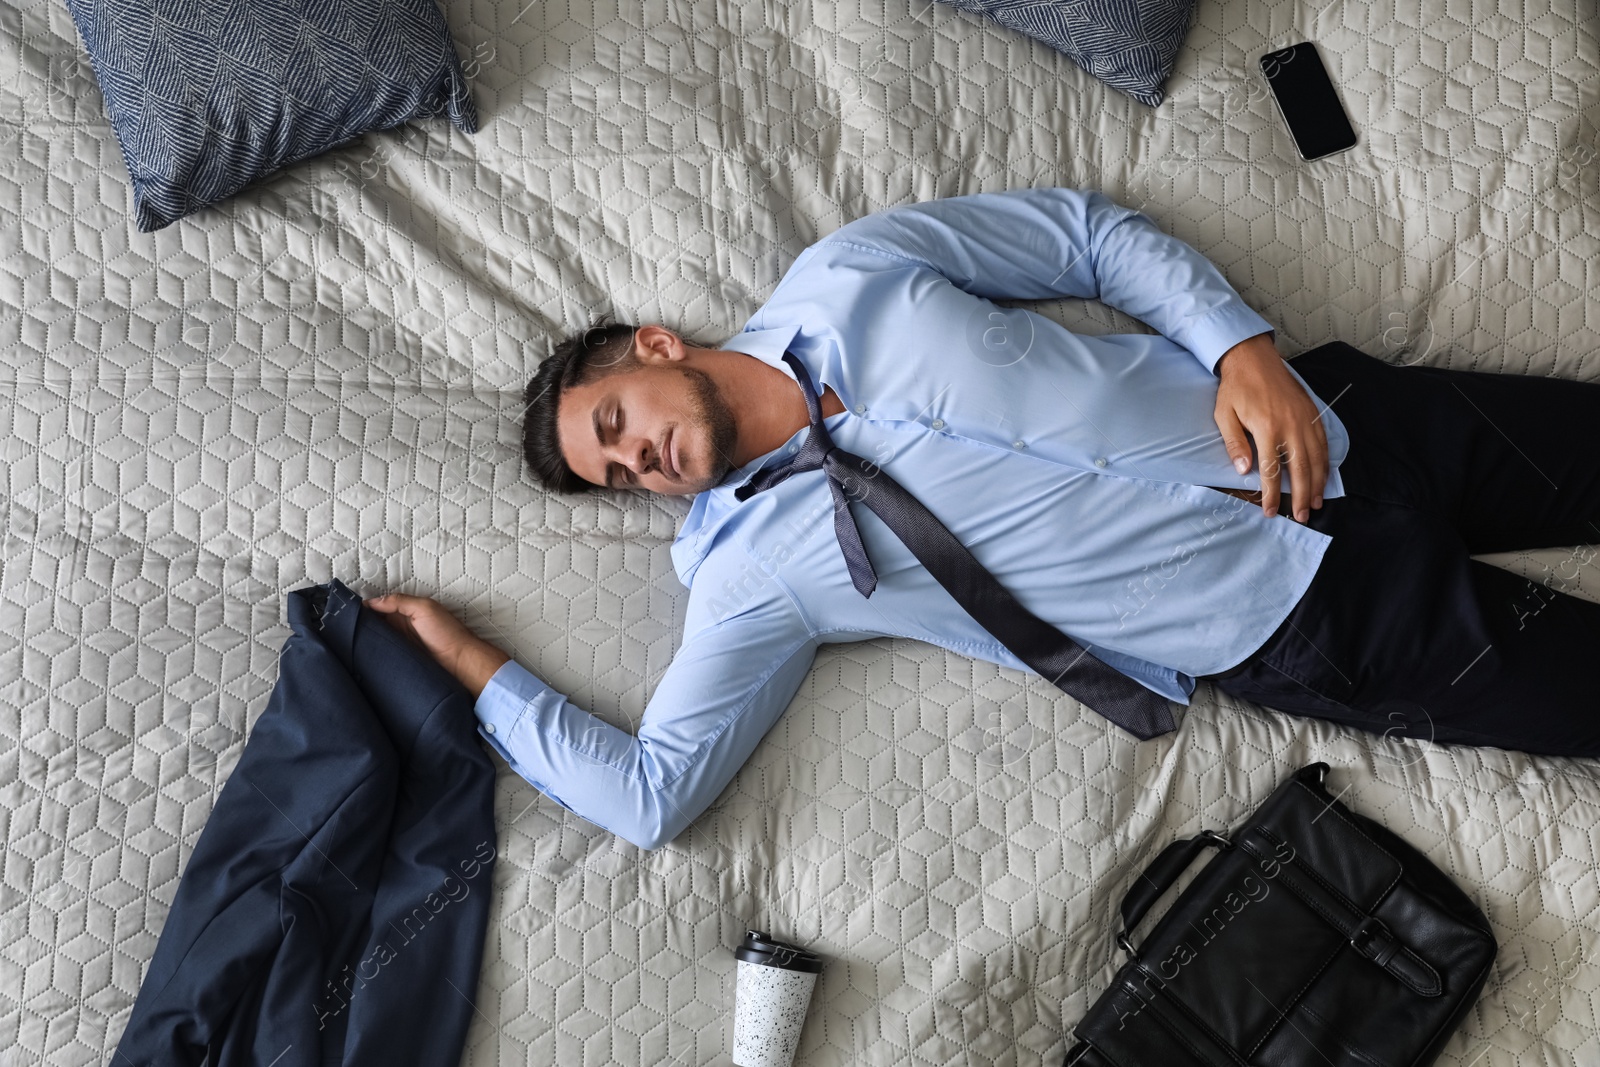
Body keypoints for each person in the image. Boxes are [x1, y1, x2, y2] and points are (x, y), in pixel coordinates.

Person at [366, 187, 1600, 851]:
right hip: (1304, 620)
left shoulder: (848, 271)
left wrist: (1240, 345)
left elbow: (1082, 237)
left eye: (619, 423)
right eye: (621, 476)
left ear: (652, 347)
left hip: (1333, 420)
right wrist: (470, 659)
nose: (642, 460)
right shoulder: (748, 574)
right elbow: (651, 794)